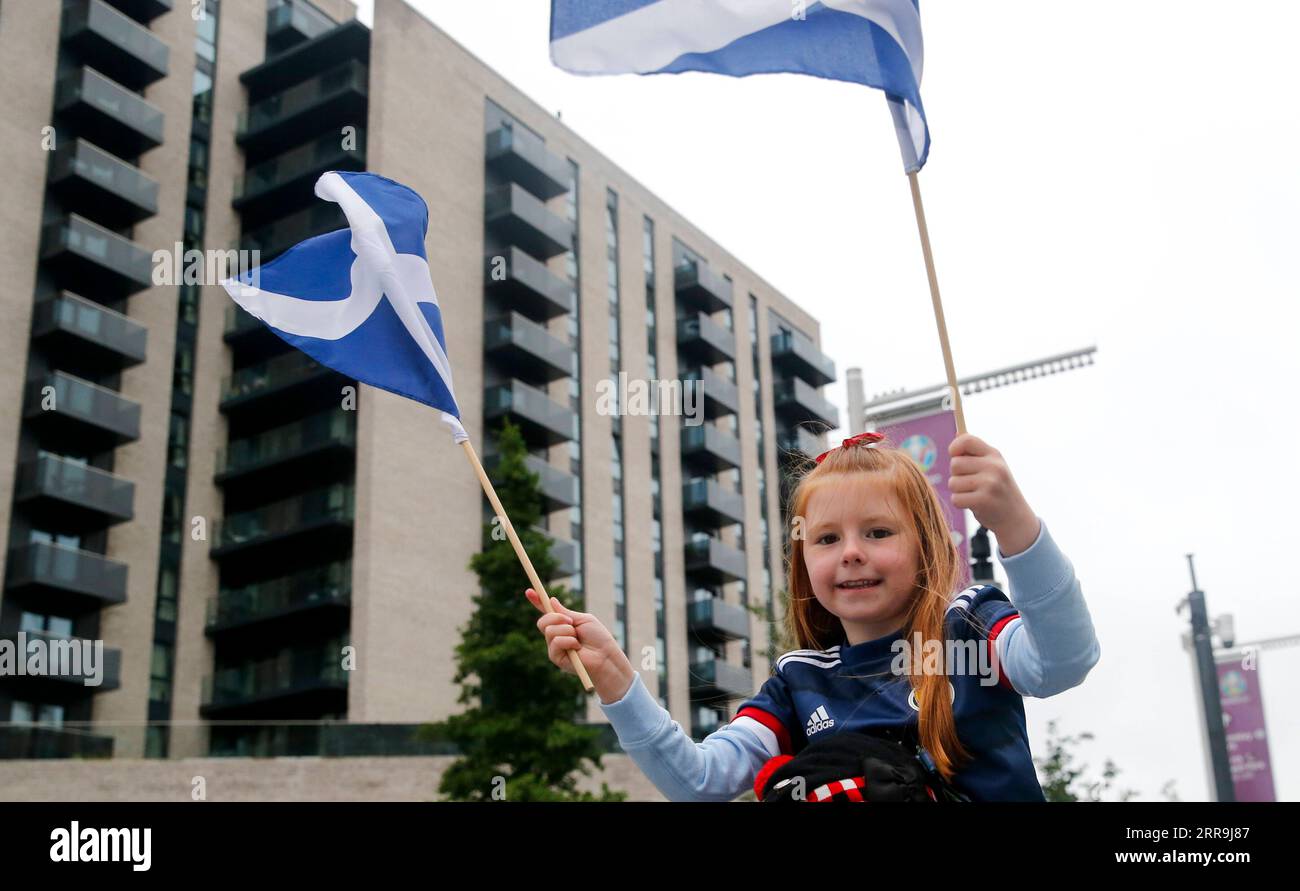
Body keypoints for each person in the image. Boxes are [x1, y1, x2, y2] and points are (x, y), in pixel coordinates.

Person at [526, 431, 1100, 801]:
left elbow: (1065, 660)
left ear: (927, 546)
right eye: (826, 538)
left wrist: (1016, 527)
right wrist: (617, 681)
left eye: (877, 532)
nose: (850, 551)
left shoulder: (968, 625)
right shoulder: (797, 681)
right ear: (803, 562)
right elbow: (698, 781)